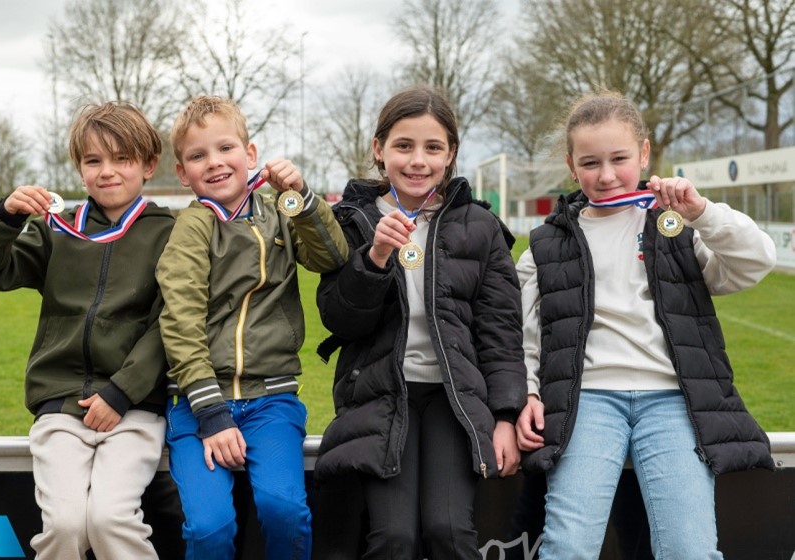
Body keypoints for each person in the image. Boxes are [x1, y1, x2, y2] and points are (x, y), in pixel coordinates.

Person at [514, 90, 777, 559]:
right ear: (572, 166)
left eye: (620, 158)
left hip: (672, 403)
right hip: (586, 402)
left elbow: (755, 262)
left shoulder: (677, 223)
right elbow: (526, 333)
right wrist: (530, 393)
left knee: (690, 551)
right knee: (568, 547)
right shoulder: (543, 244)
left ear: (644, 153)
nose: (607, 175)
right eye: (590, 162)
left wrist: (703, 213)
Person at [314, 85, 527, 559]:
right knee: (395, 538)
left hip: (453, 403)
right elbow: (339, 320)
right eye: (403, 146)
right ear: (379, 149)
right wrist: (375, 257)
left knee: (447, 531)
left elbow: (501, 334)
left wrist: (507, 416)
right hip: (381, 396)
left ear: (450, 155)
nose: (418, 161)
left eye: (433, 148)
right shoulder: (349, 222)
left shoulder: (481, 227)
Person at [0, 102, 175, 559]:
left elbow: (170, 323)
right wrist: (5, 217)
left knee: (110, 520)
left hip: (133, 409)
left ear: (148, 165)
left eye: (122, 159)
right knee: (62, 527)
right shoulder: (56, 230)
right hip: (60, 407)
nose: (107, 172)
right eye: (94, 160)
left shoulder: (170, 233)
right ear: (79, 169)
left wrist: (123, 391)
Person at [156, 95, 348, 560]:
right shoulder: (193, 227)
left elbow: (332, 257)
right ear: (183, 173)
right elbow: (180, 319)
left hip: (272, 401)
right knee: (208, 528)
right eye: (198, 155)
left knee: (284, 510)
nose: (215, 163)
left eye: (225, 149)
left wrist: (302, 199)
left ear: (251, 154)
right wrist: (212, 414)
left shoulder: (281, 211)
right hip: (199, 407)